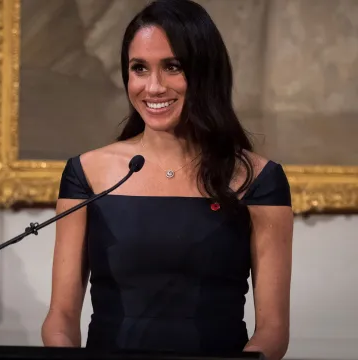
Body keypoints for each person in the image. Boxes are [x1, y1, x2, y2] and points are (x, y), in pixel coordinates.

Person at [41, 0, 293, 359]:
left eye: (172, 67)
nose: (153, 87)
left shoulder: (259, 178)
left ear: (205, 73)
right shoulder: (87, 173)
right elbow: (61, 316)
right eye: (139, 68)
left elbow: (273, 331)